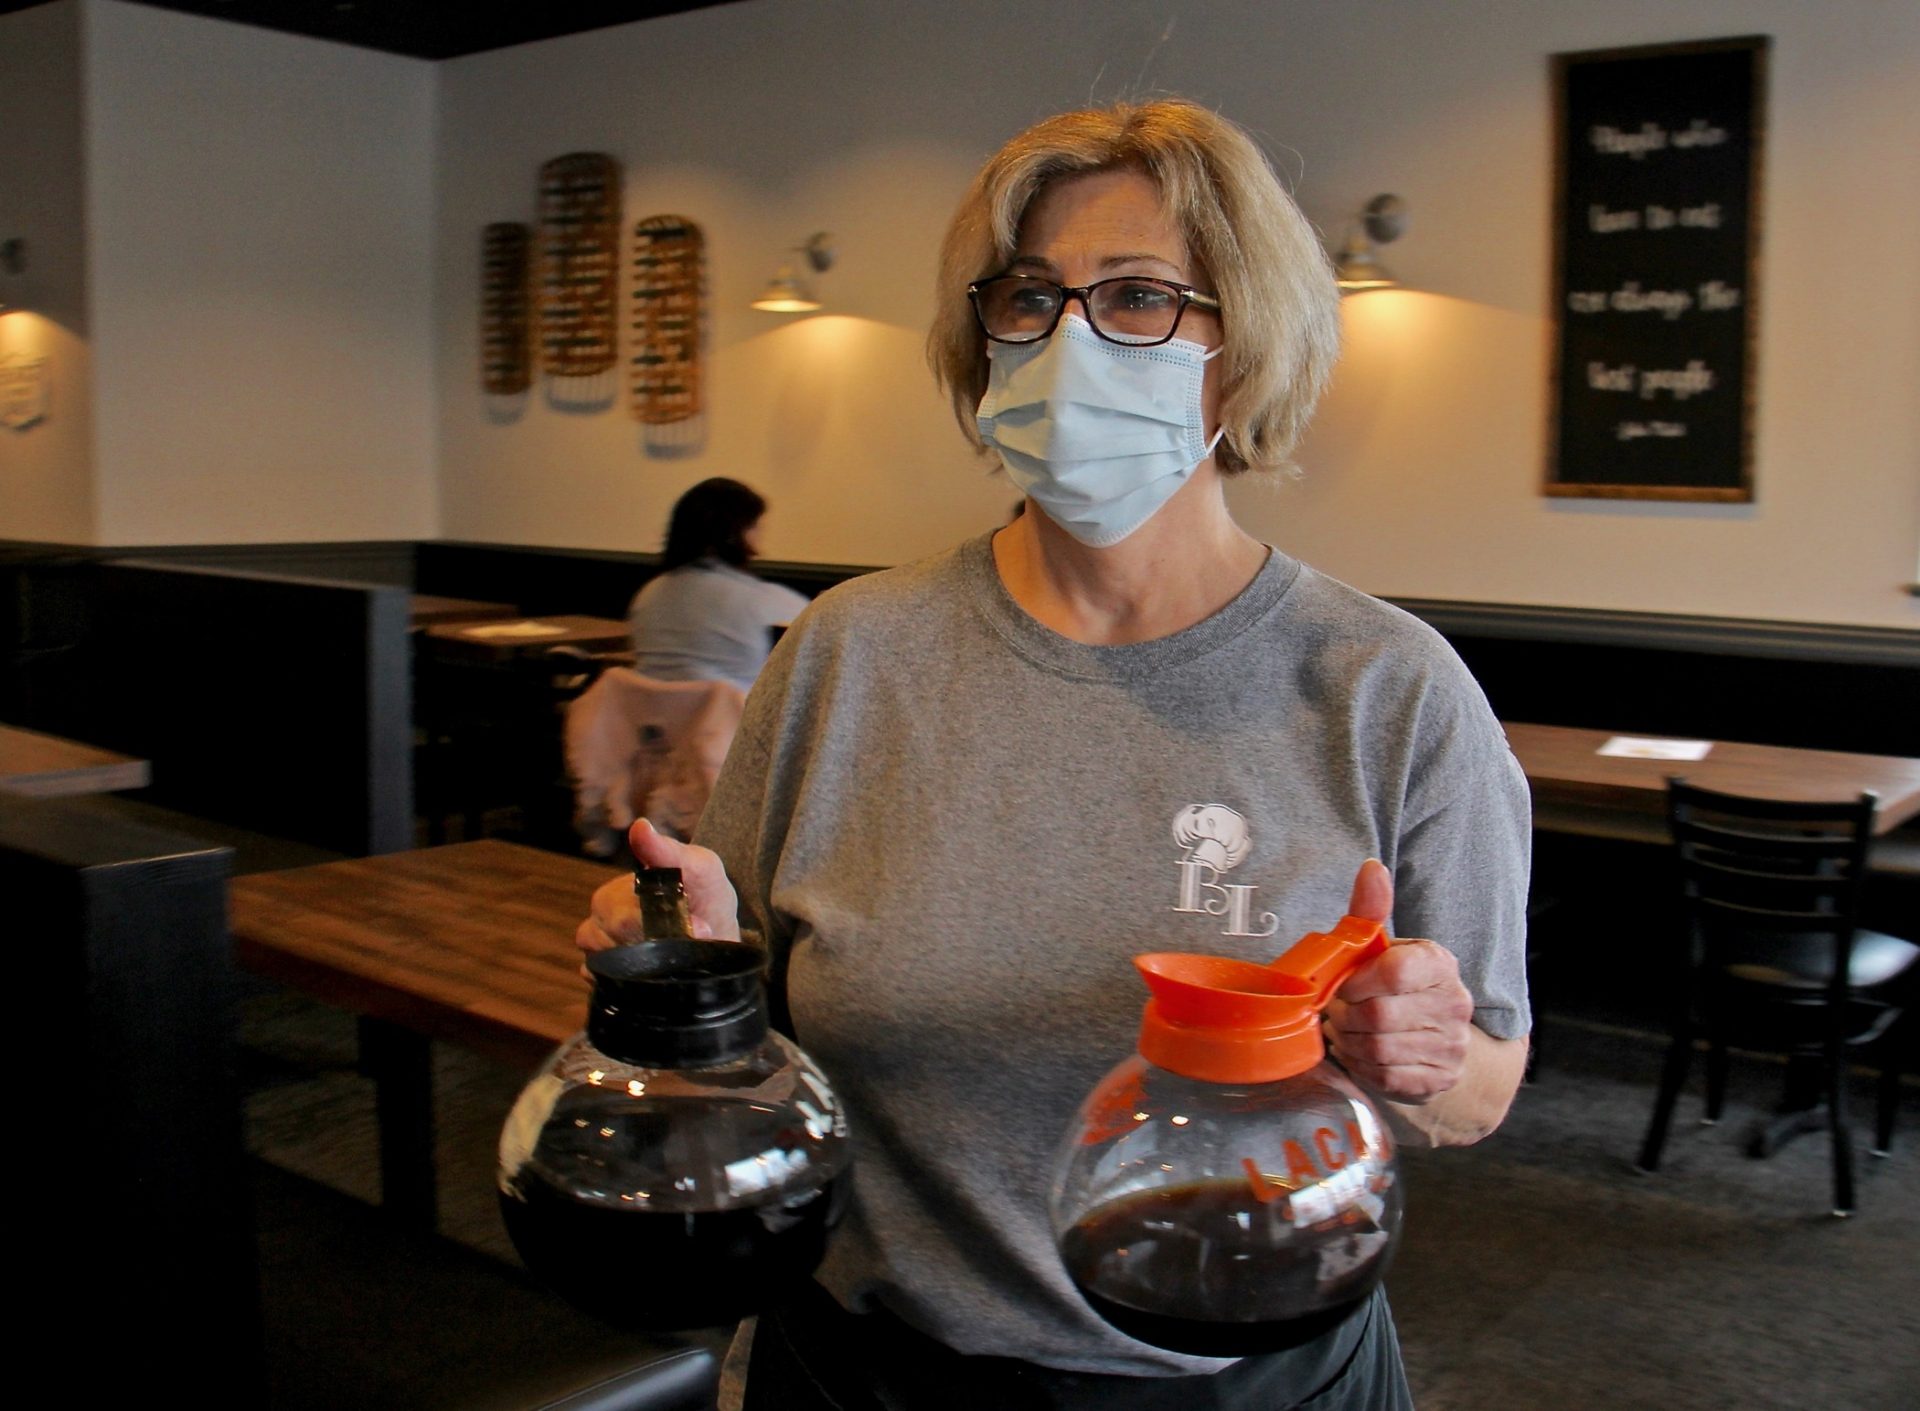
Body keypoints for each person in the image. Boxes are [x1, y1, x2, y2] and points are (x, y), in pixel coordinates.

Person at [580, 99, 1531, 1410]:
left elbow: (1479, 1090)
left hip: (1248, 1378)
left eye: (1139, 296)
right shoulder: (851, 652)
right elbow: (741, 1037)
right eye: (1029, 296)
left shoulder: (1388, 689)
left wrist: (1410, 1051)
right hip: (873, 1367)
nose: (1072, 340)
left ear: (1244, 347)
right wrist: (678, 971)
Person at [626, 477, 811, 695]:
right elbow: (821, 628)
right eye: (756, 525)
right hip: (733, 724)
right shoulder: (760, 601)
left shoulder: (648, 596)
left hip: (649, 724)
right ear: (739, 533)